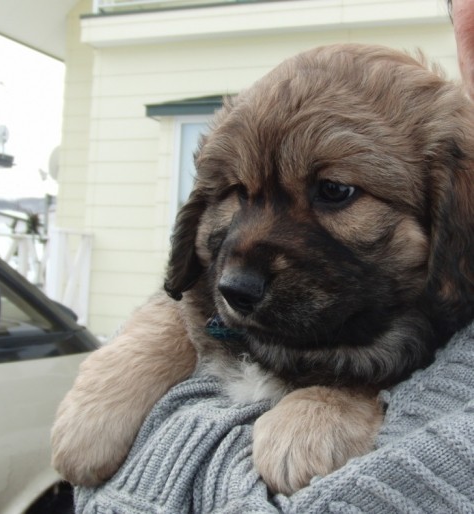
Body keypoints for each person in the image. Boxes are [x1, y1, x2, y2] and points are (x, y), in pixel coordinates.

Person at [74, 4, 474, 512]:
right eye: (241, 191)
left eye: (333, 192)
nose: (240, 273)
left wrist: (346, 398)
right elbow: (90, 475)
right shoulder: (215, 298)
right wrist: (159, 336)